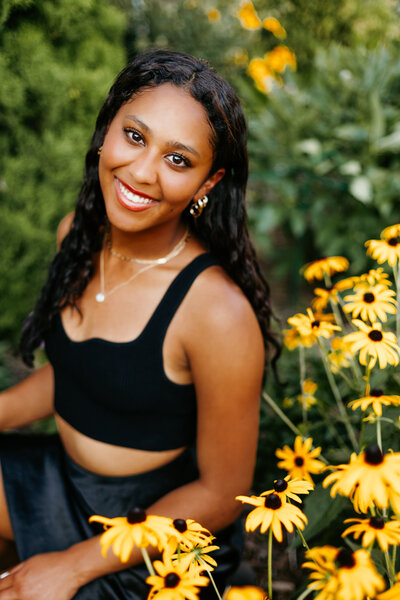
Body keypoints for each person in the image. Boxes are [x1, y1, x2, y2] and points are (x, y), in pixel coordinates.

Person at [0, 49, 278, 599]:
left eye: (179, 160)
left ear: (207, 182)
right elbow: (82, 375)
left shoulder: (215, 313)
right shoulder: (76, 237)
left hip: (153, 532)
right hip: (60, 480)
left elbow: (224, 491)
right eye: (134, 136)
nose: (143, 171)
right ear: (107, 132)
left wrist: (73, 565)